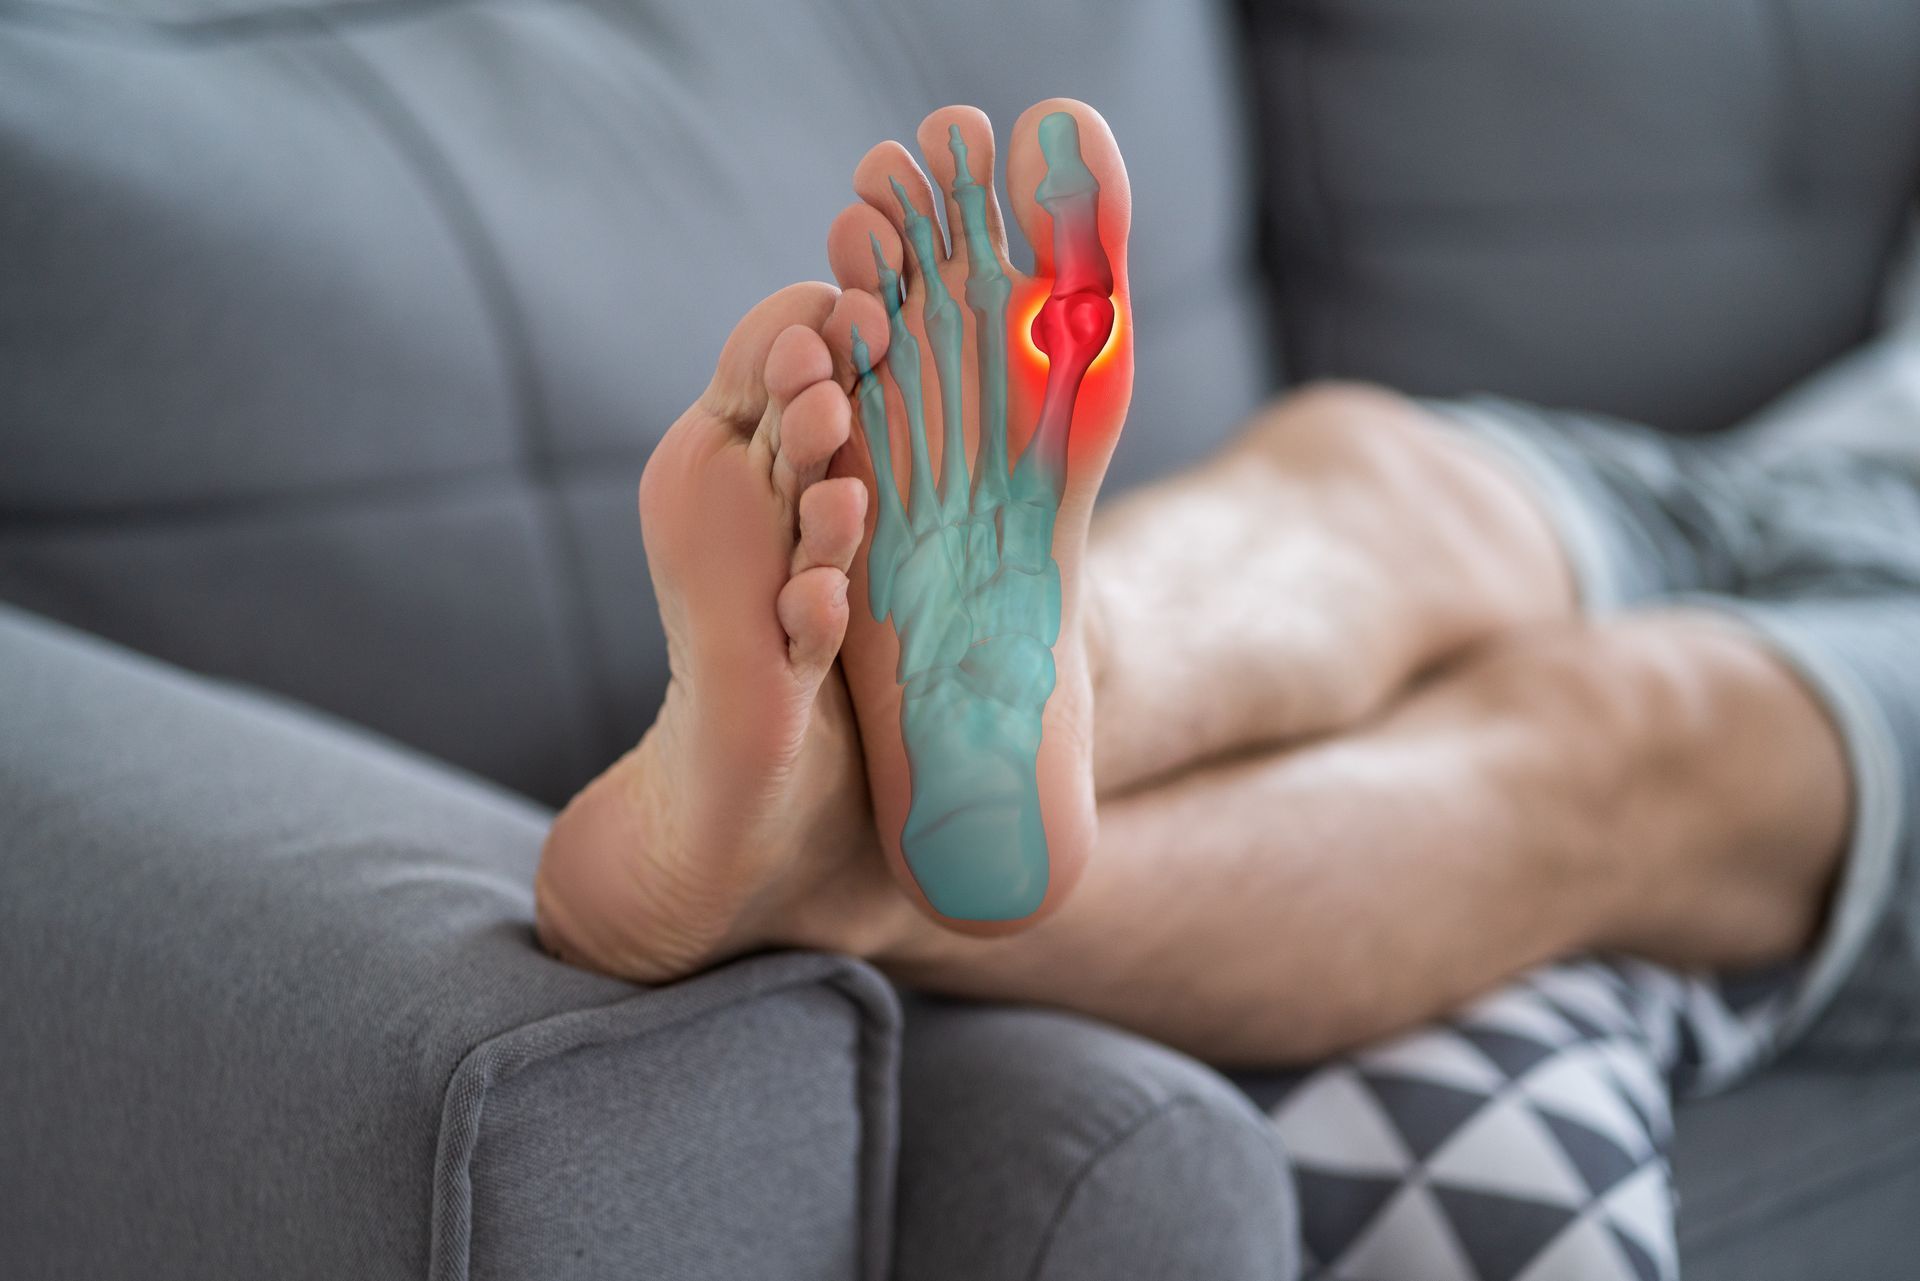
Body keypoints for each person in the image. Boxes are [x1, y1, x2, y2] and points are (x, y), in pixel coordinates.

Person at [533, 100, 1920, 1280]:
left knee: (1638, 723)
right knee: (1370, 482)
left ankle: (823, 833)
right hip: (1770, 473)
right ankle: (1021, 680)